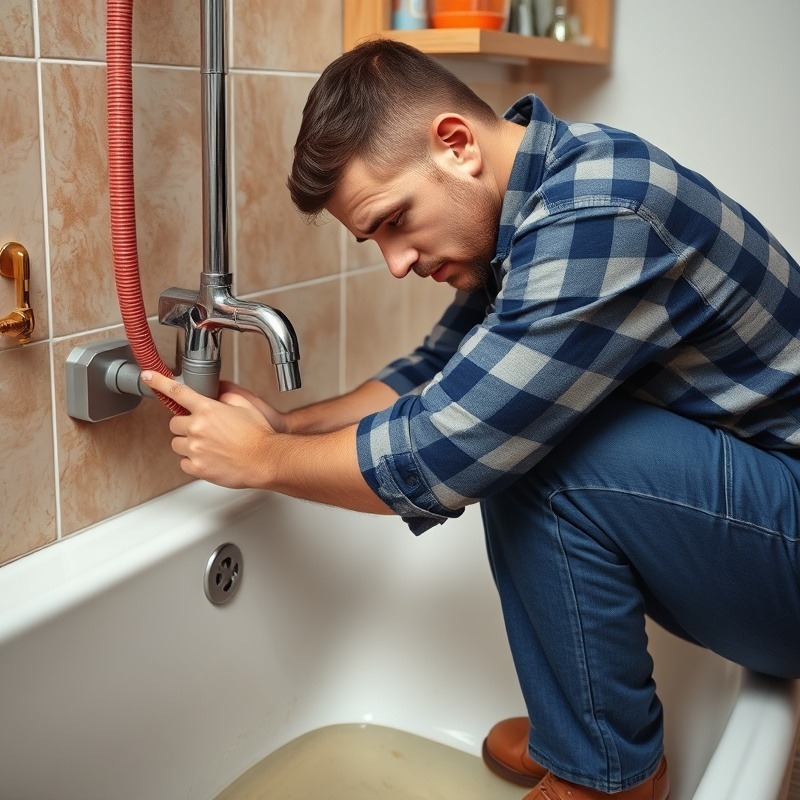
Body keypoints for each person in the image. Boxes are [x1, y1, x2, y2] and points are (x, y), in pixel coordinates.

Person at [142, 39, 800, 800]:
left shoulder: (601, 211)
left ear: (456, 145)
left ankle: (606, 777)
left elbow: (455, 445)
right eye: (374, 239)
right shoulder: (536, 200)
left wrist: (262, 462)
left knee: (530, 447)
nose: (396, 262)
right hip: (765, 521)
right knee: (519, 419)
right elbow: (436, 372)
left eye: (395, 221)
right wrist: (288, 429)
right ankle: (584, 734)